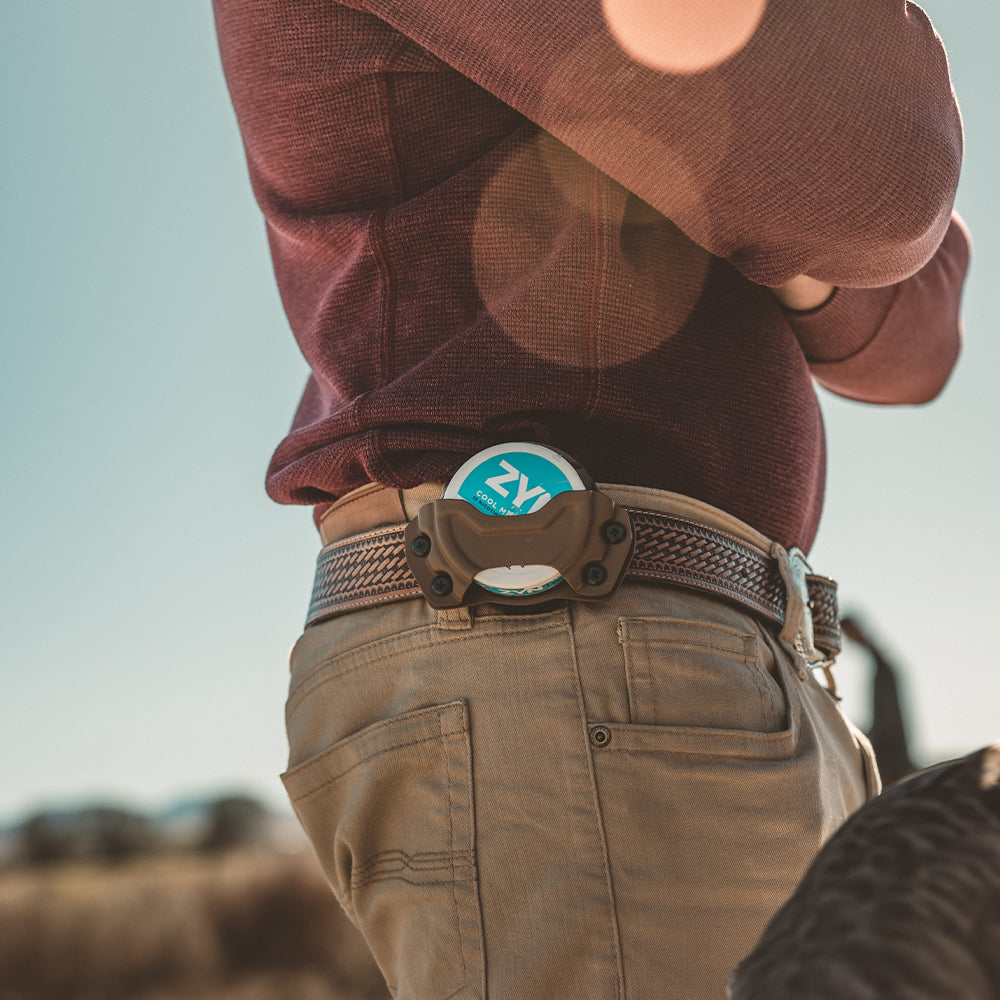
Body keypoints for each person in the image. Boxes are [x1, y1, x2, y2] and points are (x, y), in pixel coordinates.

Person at [212, 0, 969, 996]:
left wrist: (751, 186)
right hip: (564, 640)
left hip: (697, 660)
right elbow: (874, 168)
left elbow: (917, 335)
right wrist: (772, 213)